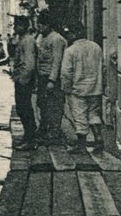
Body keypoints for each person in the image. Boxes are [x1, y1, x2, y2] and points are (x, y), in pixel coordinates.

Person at [60, 22, 105, 153]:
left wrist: (66, 88)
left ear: (75, 34)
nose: (67, 36)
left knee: (80, 117)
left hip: (77, 89)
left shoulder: (70, 51)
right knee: (94, 114)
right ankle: (99, 139)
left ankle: (81, 146)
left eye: (69, 33)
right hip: (95, 88)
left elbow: (66, 72)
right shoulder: (96, 47)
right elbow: (103, 67)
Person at [35, 11, 67, 144]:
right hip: (42, 76)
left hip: (53, 78)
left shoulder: (57, 39)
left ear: (49, 25)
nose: (40, 28)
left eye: (42, 25)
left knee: (54, 105)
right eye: (39, 25)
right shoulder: (41, 38)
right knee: (42, 104)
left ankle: (54, 132)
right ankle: (44, 129)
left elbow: (57, 61)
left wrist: (52, 80)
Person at [10, 15, 38, 149]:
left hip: (24, 80)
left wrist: (23, 79)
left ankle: (30, 140)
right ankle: (28, 137)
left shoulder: (27, 41)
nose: (15, 28)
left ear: (24, 26)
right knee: (22, 109)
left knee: (24, 108)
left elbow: (29, 63)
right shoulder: (23, 39)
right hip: (21, 78)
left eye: (17, 25)